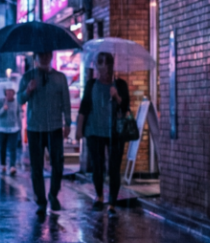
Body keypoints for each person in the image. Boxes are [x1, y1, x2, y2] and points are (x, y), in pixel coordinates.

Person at [75, 51, 130, 211]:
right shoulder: (92, 84)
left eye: (107, 63)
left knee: (114, 167)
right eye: (100, 63)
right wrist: (79, 130)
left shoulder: (120, 85)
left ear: (112, 66)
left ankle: (112, 202)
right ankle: (99, 195)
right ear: (97, 66)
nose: (104, 67)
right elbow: (84, 108)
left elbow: (126, 108)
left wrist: (117, 97)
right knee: (97, 165)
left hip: (115, 132)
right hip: (94, 130)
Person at [18, 51, 71, 214]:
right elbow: (20, 100)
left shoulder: (60, 77)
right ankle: (41, 200)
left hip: (54, 127)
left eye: (48, 54)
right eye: (42, 54)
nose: (45, 57)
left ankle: (53, 194)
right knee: (37, 167)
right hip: (35, 128)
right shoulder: (28, 76)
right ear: (36, 57)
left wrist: (68, 122)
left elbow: (65, 101)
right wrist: (28, 90)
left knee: (58, 164)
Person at [0, 86, 20, 175]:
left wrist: (19, 127)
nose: (9, 94)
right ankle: (3, 165)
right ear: (5, 93)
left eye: (11, 92)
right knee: (3, 148)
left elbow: (18, 115)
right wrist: (3, 109)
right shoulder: (1, 101)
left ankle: (12, 166)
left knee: (13, 148)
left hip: (14, 129)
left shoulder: (16, 102)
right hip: (2, 128)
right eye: (7, 92)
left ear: (13, 93)